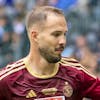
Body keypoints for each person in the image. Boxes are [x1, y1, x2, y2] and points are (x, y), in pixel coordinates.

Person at [0, 6, 100, 100]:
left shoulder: (76, 73)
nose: (63, 41)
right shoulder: (8, 80)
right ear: (35, 36)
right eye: (56, 34)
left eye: (64, 34)